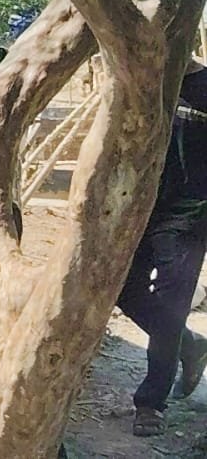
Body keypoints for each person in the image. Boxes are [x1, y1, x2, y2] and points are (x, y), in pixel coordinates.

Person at [118, 62, 207, 438]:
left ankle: (150, 402)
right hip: (137, 209)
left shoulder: (204, 86)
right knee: (122, 290)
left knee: (171, 307)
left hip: (190, 216)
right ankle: (189, 344)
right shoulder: (139, 78)